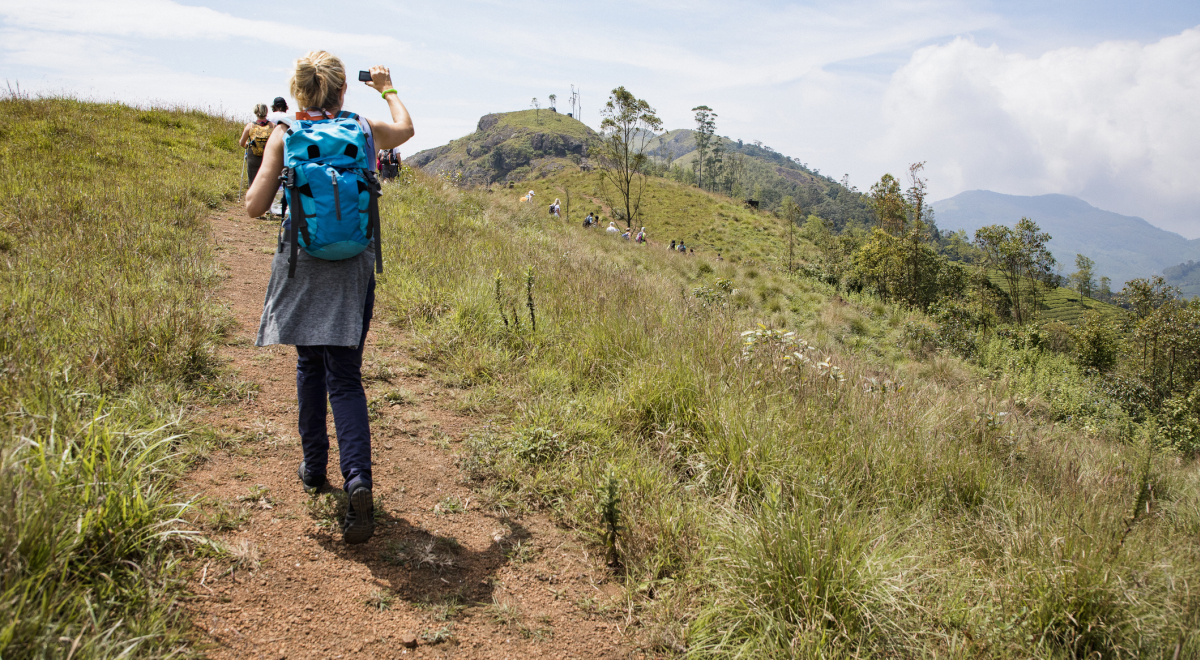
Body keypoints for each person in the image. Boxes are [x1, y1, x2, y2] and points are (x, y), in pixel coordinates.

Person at [245, 51, 414, 545]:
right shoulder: (362, 128)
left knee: (308, 366)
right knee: (346, 375)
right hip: (353, 267)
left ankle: (314, 469)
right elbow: (405, 129)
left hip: (302, 263)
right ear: (343, 90)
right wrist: (385, 87)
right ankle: (358, 480)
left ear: (298, 91)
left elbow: (254, 208)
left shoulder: (286, 132)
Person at [238, 103, 273, 188]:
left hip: (253, 157)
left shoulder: (250, 126)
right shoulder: (273, 126)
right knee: (267, 183)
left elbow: (242, 143)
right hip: (268, 158)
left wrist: (248, 145)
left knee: (253, 183)